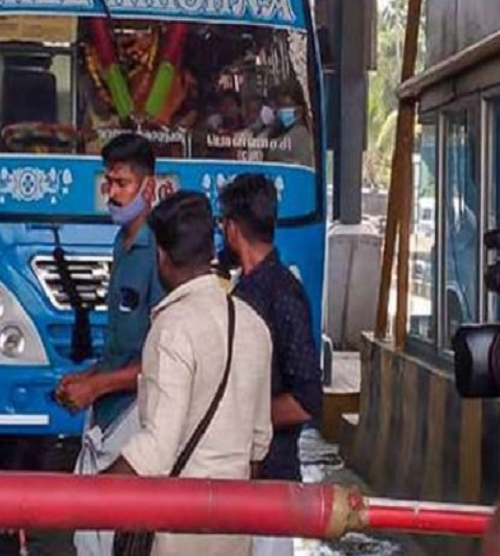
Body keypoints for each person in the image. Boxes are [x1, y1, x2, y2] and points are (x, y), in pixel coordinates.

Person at [106, 191, 273, 556]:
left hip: (178, 533)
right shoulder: (252, 323)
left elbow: (156, 450)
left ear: (162, 257)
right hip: (234, 530)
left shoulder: (173, 327)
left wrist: (87, 494)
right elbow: (258, 447)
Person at [55, 133, 164, 556]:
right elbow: (122, 343)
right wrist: (87, 377)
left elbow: (160, 360)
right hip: (110, 409)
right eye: (109, 183)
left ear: (148, 187)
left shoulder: (159, 254)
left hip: (137, 414)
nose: (112, 194)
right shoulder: (122, 244)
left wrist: (97, 387)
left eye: (122, 184)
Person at [218, 174, 323, 556]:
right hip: (234, 476)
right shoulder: (241, 291)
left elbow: (308, 400)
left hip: (271, 479)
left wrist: (241, 418)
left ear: (231, 228)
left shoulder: (281, 294)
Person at [266, 84, 314, 168]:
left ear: (299, 111)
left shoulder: (299, 135)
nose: (280, 111)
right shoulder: (282, 133)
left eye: (285, 106)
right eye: (279, 106)